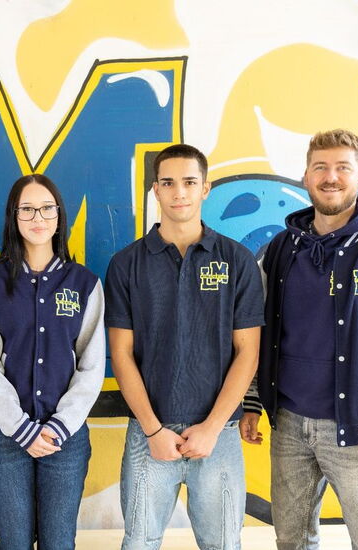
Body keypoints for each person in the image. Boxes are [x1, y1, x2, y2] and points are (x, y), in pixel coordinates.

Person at [240, 129, 358, 550]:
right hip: (289, 425)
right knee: (292, 540)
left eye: (342, 168)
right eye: (321, 168)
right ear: (307, 177)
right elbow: (260, 331)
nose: (331, 177)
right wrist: (253, 400)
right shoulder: (280, 249)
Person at [105, 144, 263, 550]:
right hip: (149, 433)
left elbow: (248, 352)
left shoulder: (237, 260)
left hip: (220, 432)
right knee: (138, 542)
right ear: (155, 190)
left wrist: (212, 428)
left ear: (205, 188)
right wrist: (153, 429)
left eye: (190, 182)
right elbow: (121, 355)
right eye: (169, 183)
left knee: (224, 544)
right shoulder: (127, 264)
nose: (180, 192)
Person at [0, 174, 105, 549]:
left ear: (59, 216)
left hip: (66, 438)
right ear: (13, 216)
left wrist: (59, 427)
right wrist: (20, 428)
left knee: (59, 543)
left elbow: (92, 366)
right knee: (14, 542)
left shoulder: (85, 284)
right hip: (4, 437)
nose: (37, 217)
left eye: (47, 208)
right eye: (27, 209)